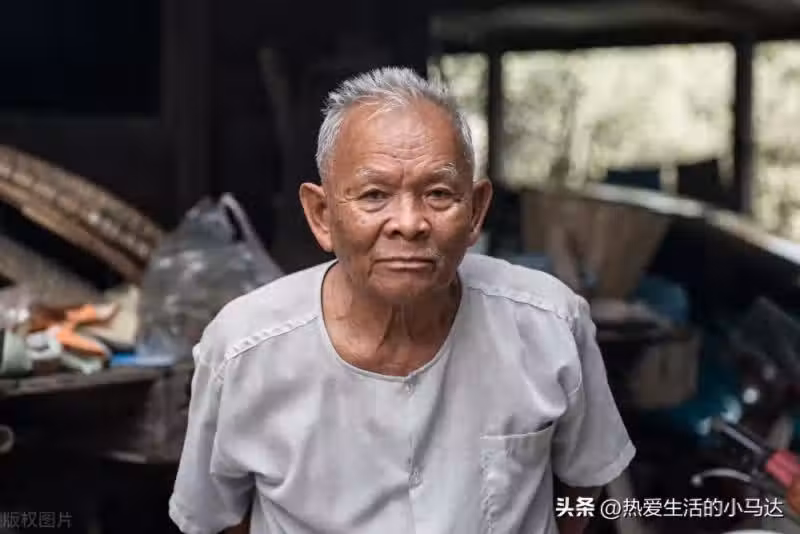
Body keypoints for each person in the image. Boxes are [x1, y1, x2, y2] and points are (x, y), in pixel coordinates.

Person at [169, 66, 635, 534]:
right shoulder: (243, 350)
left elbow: (584, 481)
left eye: (438, 194)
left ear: (475, 212)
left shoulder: (550, 324)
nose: (409, 224)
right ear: (322, 215)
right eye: (375, 195)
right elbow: (218, 518)